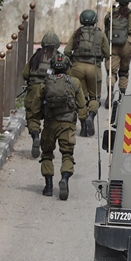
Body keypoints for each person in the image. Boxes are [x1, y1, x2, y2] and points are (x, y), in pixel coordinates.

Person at [39, 53, 87, 200]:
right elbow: (82, 106)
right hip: (67, 124)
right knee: (67, 154)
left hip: (50, 124)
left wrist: (36, 122)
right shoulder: (75, 83)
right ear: (67, 67)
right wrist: (84, 121)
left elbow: (36, 107)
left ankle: (48, 186)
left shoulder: (45, 84)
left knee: (47, 153)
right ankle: (64, 178)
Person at [66, 9, 110, 137]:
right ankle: (91, 115)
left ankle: (84, 126)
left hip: (77, 67)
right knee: (94, 97)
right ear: (95, 20)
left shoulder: (77, 33)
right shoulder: (100, 35)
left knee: (81, 98)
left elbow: (67, 51)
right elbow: (107, 53)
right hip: (93, 67)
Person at [22, 32, 61, 159]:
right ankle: (47, 149)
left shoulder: (36, 55)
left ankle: (35, 136)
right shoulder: (59, 57)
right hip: (51, 90)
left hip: (34, 90)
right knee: (51, 121)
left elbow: (25, 74)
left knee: (33, 117)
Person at [104, 0, 131, 102]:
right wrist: (129, 40)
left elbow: (106, 30)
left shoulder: (110, 14)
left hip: (112, 45)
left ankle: (110, 95)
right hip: (126, 45)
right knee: (124, 72)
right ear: (129, 0)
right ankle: (122, 97)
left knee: (111, 72)